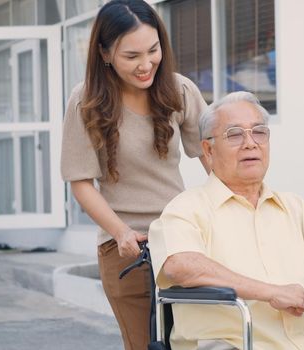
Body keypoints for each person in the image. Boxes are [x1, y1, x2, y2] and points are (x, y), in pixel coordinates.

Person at [148, 91, 304, 350]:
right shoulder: (186, 209)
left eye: (259, 132)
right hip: (236, 344)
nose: (250, 143)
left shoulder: (296, 208)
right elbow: (181, 265)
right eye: (234, 134)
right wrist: (271, 292)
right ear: (208, 150)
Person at [60, 1, 209, 349]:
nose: (146, 65)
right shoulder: (85, 101)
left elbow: (212, 157)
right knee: (145, 344)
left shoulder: (179, 89)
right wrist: (121, 232)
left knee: (195, 341)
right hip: (126, 249)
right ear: (105, 53)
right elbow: (81, 182)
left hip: (181, 239)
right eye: (132, 56)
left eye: (153, 50)